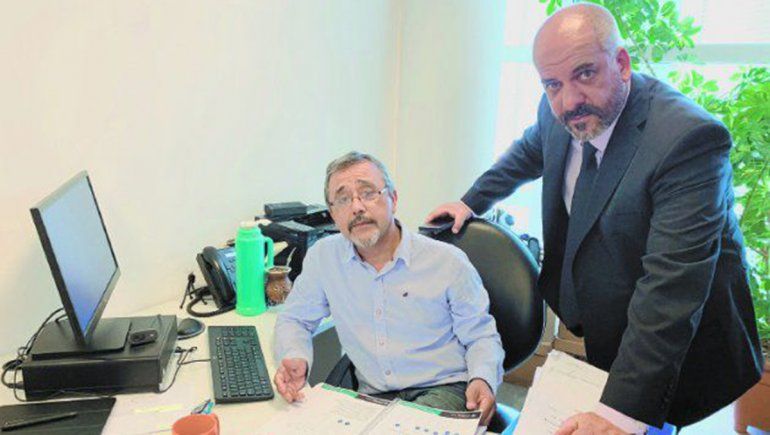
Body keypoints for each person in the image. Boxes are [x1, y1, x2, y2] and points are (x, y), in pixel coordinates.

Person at [427, 3, 763, 433]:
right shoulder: (557, 105)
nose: (568, 100)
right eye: (552, 84)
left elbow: (670, 291)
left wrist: (619, 415)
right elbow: (530, 150)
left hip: (678, 343)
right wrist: (472, 200)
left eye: (585, 74)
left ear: (621, 63)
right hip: (609, 316)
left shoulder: (688, 141)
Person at [273, 151, 504, 425]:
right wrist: (295, 356)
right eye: (343, 199)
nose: (357, 207)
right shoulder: (324, 258)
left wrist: (482, 378)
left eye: (368, 193)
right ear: (333, 214)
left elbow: (481, 335)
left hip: (443, 388)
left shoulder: (447, 262)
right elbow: (295, 319)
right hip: (373, 397)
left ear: (393, 199)